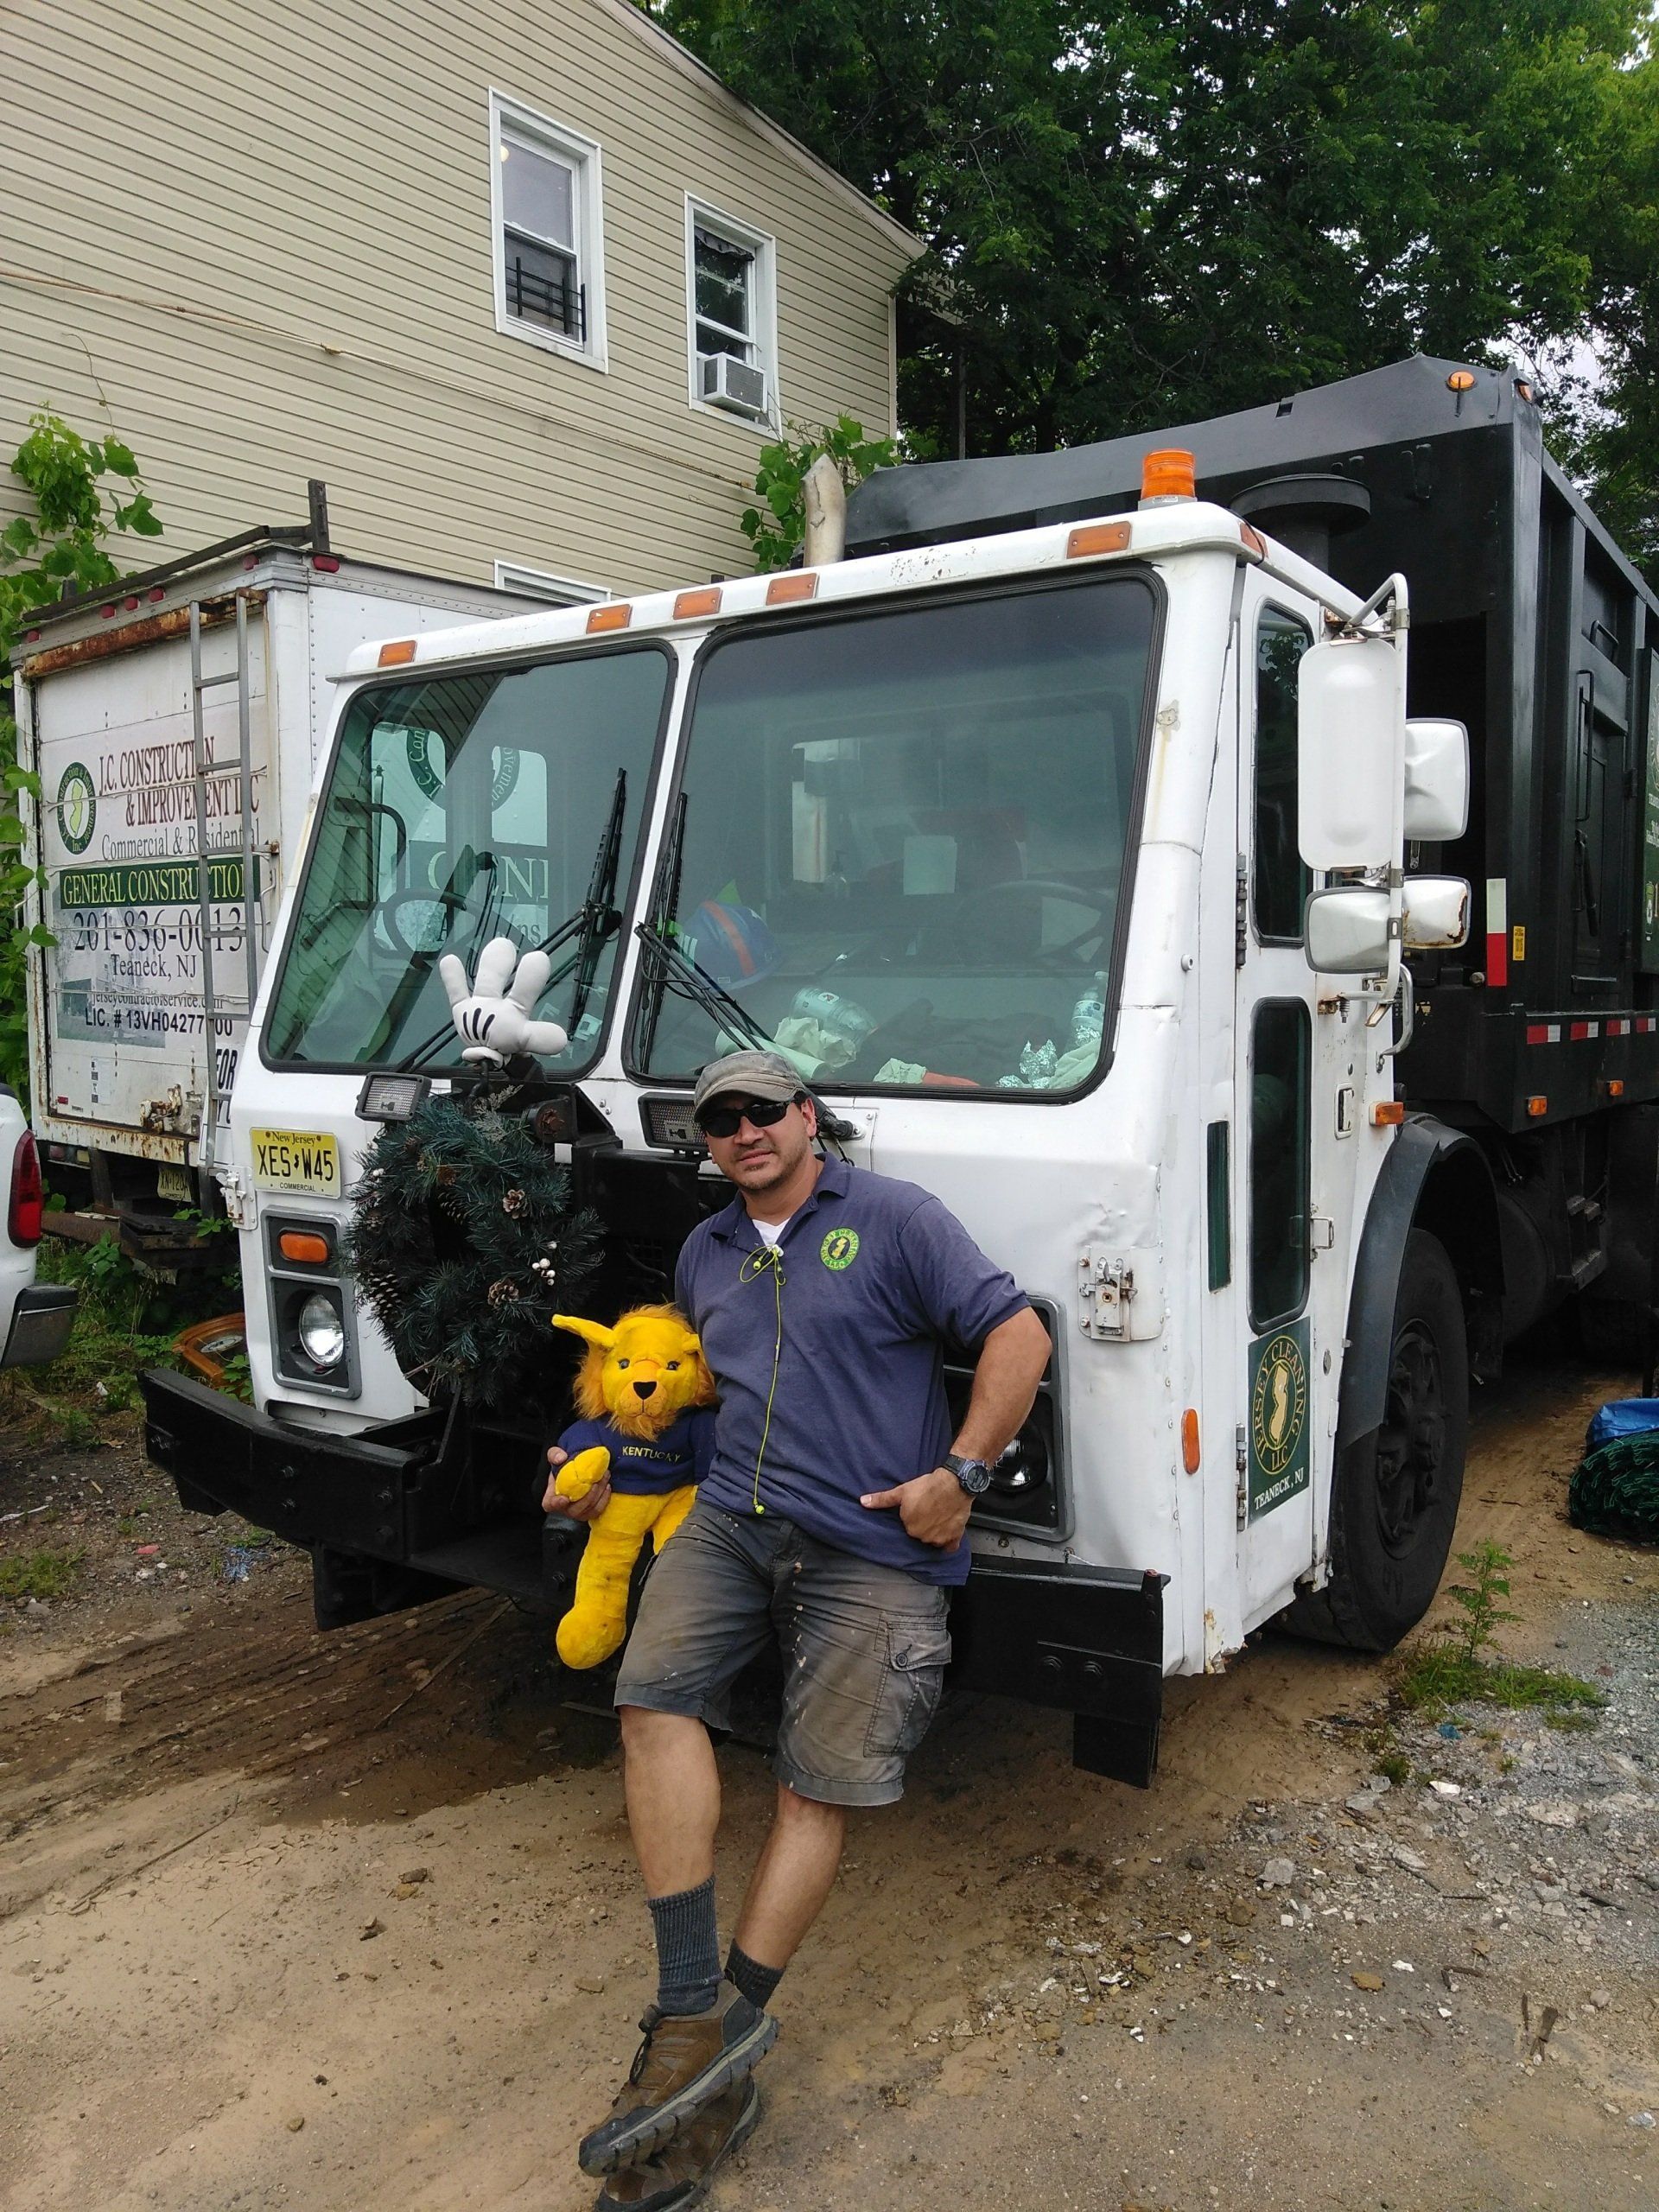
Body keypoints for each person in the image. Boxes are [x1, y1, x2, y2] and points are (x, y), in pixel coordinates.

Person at [544, 1048, 1052, 2210]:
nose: (743, 1133)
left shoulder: (896, 1219)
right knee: (648, 1703)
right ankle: (686, 2024)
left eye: (762, 1112)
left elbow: (1017, 1337)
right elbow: (689, 1395)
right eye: (720, 1121)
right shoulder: (706, 1248)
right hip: (728, 1524)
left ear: (806, 1117)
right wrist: (592, 1469)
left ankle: (730, 2042)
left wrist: (961, 1476)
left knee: (814, 1788)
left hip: (873, 1545)